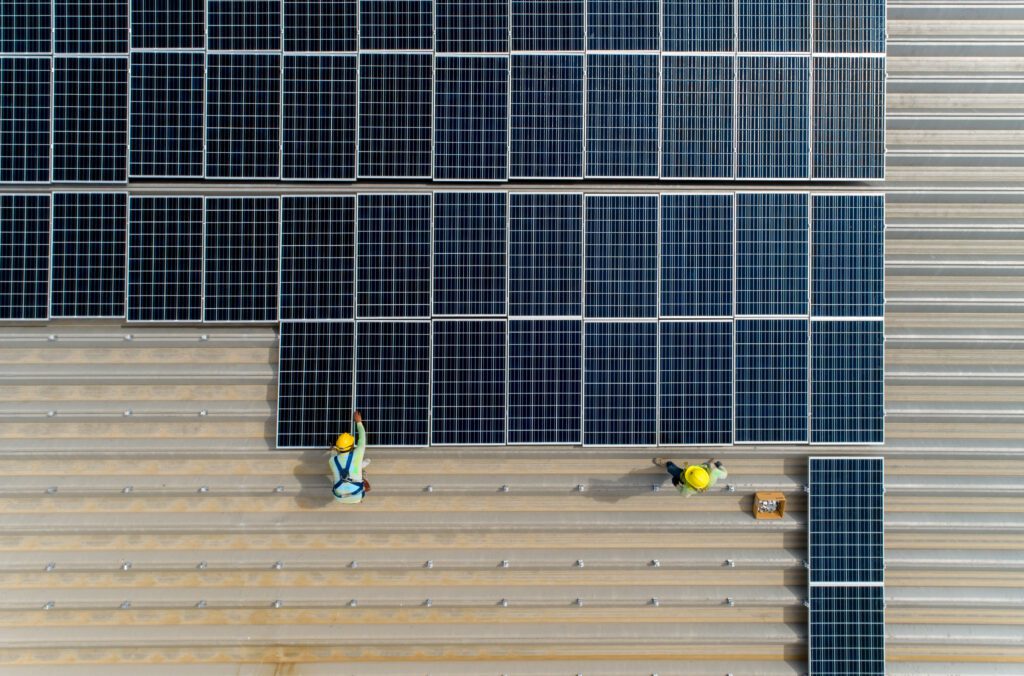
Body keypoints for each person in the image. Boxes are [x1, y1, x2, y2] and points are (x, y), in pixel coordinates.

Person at [330, 410, 370, 504]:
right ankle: (361, 493)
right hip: (357, 495)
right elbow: (362, 438)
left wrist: (333, 450)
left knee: (340, 472)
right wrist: (359, 422)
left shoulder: (332, 460)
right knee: (362, 470)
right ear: (352, 446)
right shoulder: (357, 455)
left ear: (338, 448)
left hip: (338, 497)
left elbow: (334, 454)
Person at [652, 457, 727, 497]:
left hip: (682, 476)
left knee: (671, 468)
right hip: (702, 468)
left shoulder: (690, 488)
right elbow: (725, 474)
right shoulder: (713, 472)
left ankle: (665, 463)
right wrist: (720, 466)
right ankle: (709, 463)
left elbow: (684, 494)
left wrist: (676, 484)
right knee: (709, 465)